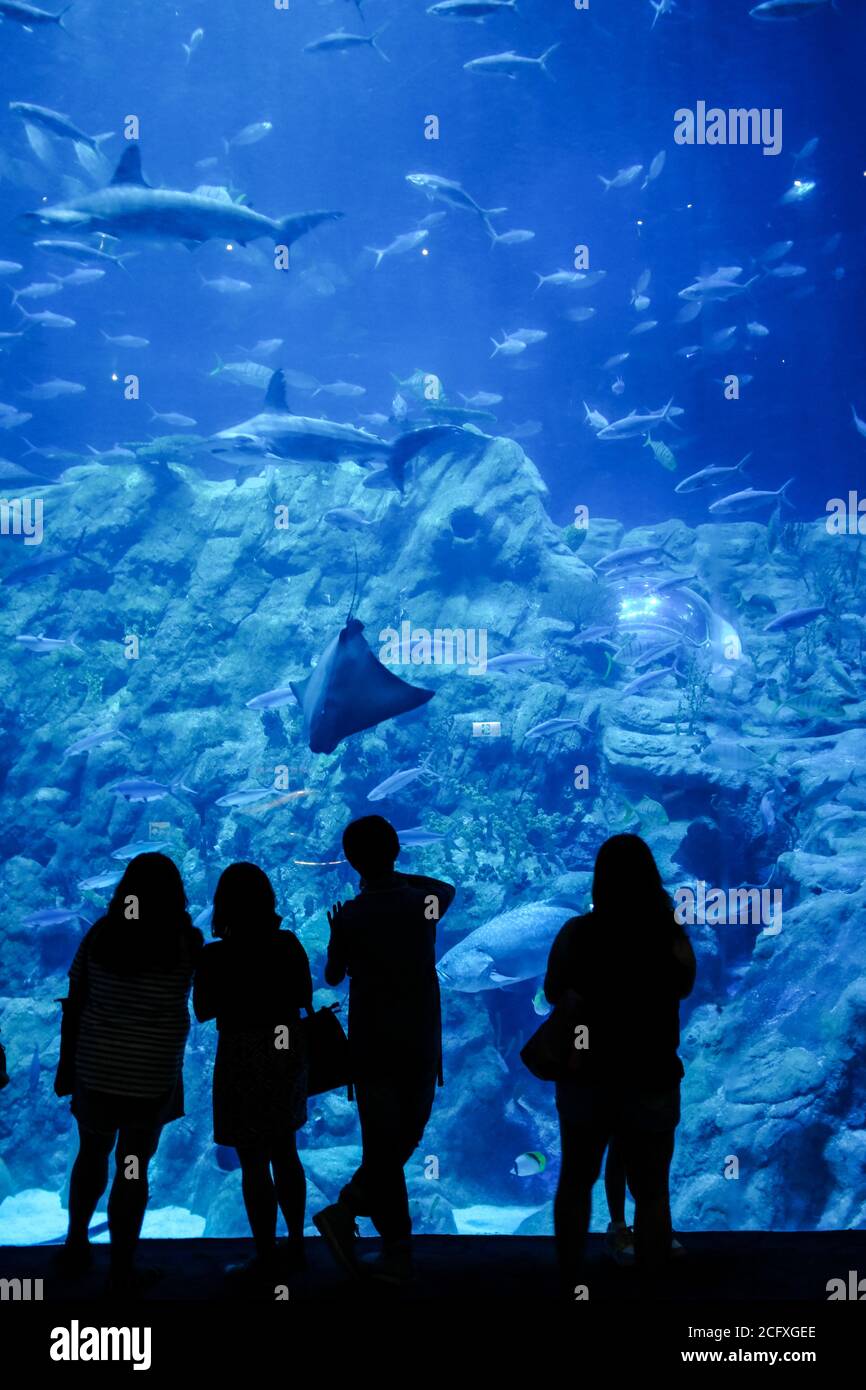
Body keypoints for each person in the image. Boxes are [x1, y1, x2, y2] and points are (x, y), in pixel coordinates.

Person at [544, 833, 696, 1288]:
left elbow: (552, 991)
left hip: (587, 1076)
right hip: (650, 1073)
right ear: (652, 879)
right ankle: (652, 1284)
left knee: (575, 1180)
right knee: (651, 1190)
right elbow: (685, 984)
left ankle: (570, 1281)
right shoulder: (667, 935)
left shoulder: (577, 932)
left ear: (599, 881)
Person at [314, 814, 455, 1284]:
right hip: (417, 1042)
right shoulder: (423, 904)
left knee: (383, 1144)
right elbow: (446, 890)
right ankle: (394, 1246)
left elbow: (333, 977)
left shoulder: (352, 915)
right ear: (396, 852)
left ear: (352, 861)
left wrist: (343, 928)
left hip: (372, 1046)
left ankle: (359, 1218)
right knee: (401, 1140)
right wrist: (390, 874)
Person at [57, 852, 203, 1293]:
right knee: (133, 1166)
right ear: (176, 895)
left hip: (97, 1071)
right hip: (150, 1079)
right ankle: (121, 1267)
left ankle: (77, 1243)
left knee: (91, 1155)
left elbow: (75, 1003)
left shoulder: (101, 936)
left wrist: (66, 1067)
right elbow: (204, 1000)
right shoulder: (186, 941)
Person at [193, 862, 313, 1280]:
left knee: (253, 1161)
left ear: (222, 906)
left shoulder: (214, 955)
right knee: (286, 1150)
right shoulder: (288, 944)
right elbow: (304, 996)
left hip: (241, 1052)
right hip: (284, 1050)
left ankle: (265, 1253)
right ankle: (297, 1243)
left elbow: (203, 1011)